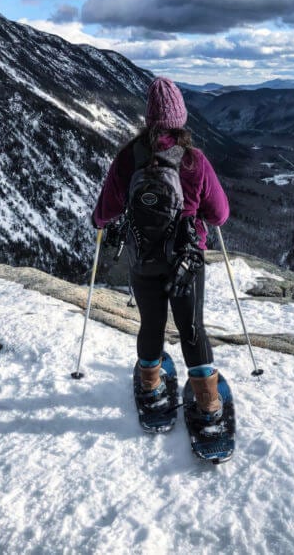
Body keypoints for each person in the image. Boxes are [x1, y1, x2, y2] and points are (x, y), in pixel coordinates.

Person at [92, 77, 229, 419]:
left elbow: (106, 209)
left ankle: (151, 386)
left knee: (151, 325)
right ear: (181, 117)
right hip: (186, 262)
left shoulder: (129, 157)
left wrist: (98, 222)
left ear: (149, 118)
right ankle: (208, 403)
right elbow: (220, 214)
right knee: (191, 329)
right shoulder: (194, 160)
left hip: (144, 259)